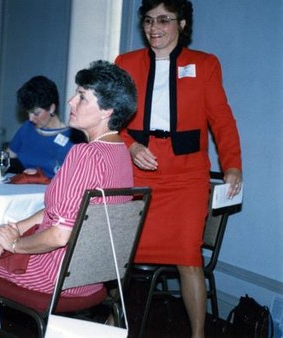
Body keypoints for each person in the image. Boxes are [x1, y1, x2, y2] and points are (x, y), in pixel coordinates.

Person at [0, 60, 137, 333]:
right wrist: (17, 227)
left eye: (82, 97)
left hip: (58, 276)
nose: (71, 101)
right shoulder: (120, 153)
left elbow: (60, 235)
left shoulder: (84, 154)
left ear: (107, 110)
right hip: (94, 277)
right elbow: (64, 209)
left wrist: (13, 244)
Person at [115, 1, 242, 337]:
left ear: (182, 24)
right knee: (117, 256)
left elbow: (222, 121)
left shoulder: (204, 64)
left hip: (187, 176)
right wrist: (132, 146)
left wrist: (232, 165)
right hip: (140, 171)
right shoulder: (125, 64)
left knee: (189, 257)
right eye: (147, 20)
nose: (154, 27)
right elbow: (114, 121)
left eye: (164, 20)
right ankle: (114, 324)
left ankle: (197, 334)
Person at [7, 75, 86, 178]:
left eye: (36, 113)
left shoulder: (74, 138)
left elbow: (75, 178)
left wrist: (40, 176)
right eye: (28, 112)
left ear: (52, 108)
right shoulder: (27, 128)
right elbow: (5, 160)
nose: (30, 118)